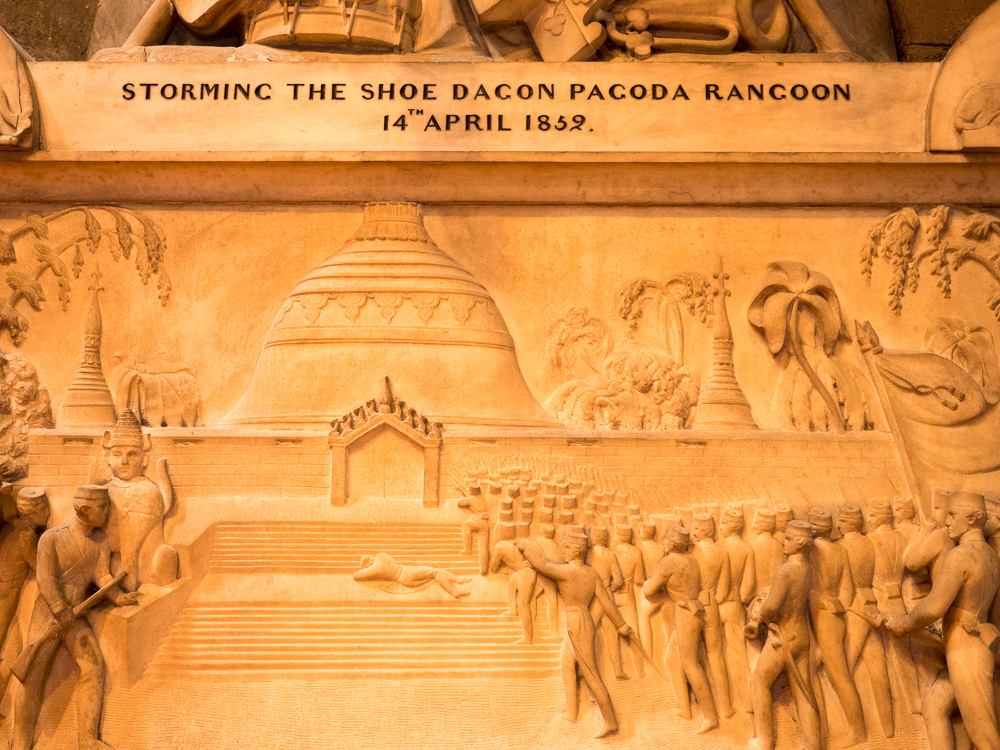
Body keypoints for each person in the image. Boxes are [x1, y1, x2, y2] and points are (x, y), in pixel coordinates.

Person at [13, 485, 139, 750]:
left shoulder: (100, 541)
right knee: (31, 677)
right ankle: (21, 743)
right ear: (83, 510)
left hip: (76, 614)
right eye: (102, 507)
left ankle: (88, 740)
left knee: (93, 667)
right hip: (48, 617)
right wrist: (60, 609)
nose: (108, 511)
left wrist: (117, 596)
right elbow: (46, 579)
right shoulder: (52, 538)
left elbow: (102, 576)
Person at [886, 490, 1000, 750]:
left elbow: (933, 608)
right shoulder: (991, 555)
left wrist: (904, 623)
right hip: (973, 644)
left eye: (952, 514)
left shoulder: (960, 556)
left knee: (984, 736)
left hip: (966, 649)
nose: (947, 521)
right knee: (934, 706)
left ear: (972, 518)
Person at [517, 532, 631, 739]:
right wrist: (621, 624)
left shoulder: (568, 571)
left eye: (567, 546)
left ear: (577, 550)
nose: (564, 549)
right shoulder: (591, 573)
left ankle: (610, 721)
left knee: (591, 674)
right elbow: (606, 602)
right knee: (567, 663)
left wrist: (525, 546)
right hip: (580, 620)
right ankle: (571, 712)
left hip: (578, 622)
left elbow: (542, 565)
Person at [746, 520, 821, 750]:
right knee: (804, 692)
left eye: (788, 539)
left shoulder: (786, 571)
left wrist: (760, 610)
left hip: (783, 636)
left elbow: (771, 608)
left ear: (799, 543)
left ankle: (764, 741)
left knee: (760, 681)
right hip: (801, 634)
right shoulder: (807, 567)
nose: (783, 542)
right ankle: (813, 745)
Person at [643, 525, 719, 733]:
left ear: (672, 543)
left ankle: (710, 716)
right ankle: (685, 708)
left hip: (686, 613)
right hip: (691, 611)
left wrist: (650, 584)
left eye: (666, 539)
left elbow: (649, 590)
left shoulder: (670, 561)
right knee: (671, 659)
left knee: (690, 664)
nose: (663, 543)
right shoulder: (691, 559)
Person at [807, 507, 866, 746]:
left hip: (819, 617)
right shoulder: (839, 550)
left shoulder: (811, 551)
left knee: (839, 675)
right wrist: (835, 606)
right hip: (835, 615)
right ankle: (820, 732)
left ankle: (857, 731)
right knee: (827, 673)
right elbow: (847, 592)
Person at [837, 502, 894, 737]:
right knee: (878, 668)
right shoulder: (871, 542)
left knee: (843, 670)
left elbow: (844, 588)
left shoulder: (840, 547)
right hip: (872, 604)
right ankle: (888, 728)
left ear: (849, 523)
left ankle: (852, 727)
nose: (837, 525)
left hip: (854, 609)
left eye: (841, 520)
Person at [0, 487, 49, 701]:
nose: (48, 512)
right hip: (5, 600)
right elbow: (42, 570)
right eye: (45, 508)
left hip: (6, 599)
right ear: (35, 512)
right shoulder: (26, 536)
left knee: (10, 654)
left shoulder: (11, 525)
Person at [690, 513, 734, 718]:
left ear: (707, 530)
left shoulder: (692, 551)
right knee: (716, 657)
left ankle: (696, 707)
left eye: (697, 528)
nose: (694, 531)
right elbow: (723, 590)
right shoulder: (722, 552)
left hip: (692, 607)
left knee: (686, 658)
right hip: (712, 605)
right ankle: (726, 707)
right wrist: (711, 599)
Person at [718, 506, 754, 712]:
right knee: (738, 655)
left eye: (723, 523)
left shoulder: (718, 547)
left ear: (732, 526)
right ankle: (748, 702)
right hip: (735, 606)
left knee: (715, 655)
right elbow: (748, 585)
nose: (720, 527)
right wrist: (740, 600)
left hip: (716, 606)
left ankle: (723, 703)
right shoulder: (747, 549)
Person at [587, 525, 627, 680]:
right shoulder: (610, 555)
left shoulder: (589, 554)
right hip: (608, 596)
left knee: (589, 631)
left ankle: (587, 667)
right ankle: (618, 670)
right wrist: (611, 586)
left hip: (593, 597)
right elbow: (619, 581)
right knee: (612, 634)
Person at [489, 523, 536, 643]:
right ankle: (512, 610)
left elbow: (493, 567)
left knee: (523, 603)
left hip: (526, 573)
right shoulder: (517, 542)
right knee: (511, 585)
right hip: (523, 571)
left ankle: (528, 638)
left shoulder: (500, 546)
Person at [354, 552, 471, 599]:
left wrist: (367, 570)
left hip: (405, 580)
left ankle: (457, 584)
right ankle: (457, 586)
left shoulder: (375, 567)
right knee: (436, 572)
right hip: (407, 571)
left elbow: (357, 575)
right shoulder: (381, 556)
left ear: (367, 564)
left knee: (436, 573)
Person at [613, 524, 646, 679]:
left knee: (611, 633)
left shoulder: (612, 551)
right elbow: (639, 580)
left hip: (612, 594)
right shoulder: (636, 552)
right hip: (628, 594)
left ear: (619, 536)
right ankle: (640, 670)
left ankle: (617, 670)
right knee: (633, 633)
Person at [457, 481, 490, 575]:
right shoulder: (483, 498)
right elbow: (474, 499)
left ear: (472, 492)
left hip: (477, 522)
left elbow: (459, 503)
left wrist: (461, 494)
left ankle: (468, 549)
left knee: (466, 525)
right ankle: (484, 570)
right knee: (484, 547)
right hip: (485, 524)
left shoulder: (471, 499)